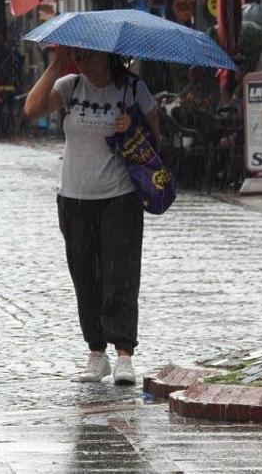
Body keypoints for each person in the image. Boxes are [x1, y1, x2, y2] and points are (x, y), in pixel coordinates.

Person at [23, 46, 160, 385]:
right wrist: (57, 64)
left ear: (105, 53)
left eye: (87, 55)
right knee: (84, 277)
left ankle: (124, 354)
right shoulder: (70, 86)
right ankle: (96, 352)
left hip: (120, 196)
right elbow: (32, 108)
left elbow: (156, 140)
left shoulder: (132, 89)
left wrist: (133, 125)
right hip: (74, 197)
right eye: (77, 56)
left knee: (120, 275)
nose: (81, 61)